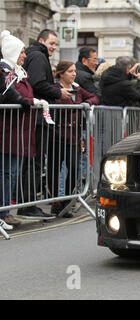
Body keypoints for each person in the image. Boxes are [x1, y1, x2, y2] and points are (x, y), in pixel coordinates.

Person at [0, 30, 52, 226]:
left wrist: (29, 101)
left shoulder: (18, 72)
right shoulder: (6, 71)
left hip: (18, 132)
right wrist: (28, 101)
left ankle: (5, 212)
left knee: (11, 173)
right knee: (5, 173)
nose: (25, 56)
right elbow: (10, 94)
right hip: (8, 130)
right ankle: (3, 213)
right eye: (22, 52)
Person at [20, 29, 73, 217]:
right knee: (34, 161)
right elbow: (37, 83)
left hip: (37, 116)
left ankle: (27, 202)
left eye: (56, 44)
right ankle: (28, 204)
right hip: (37, 118)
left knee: (32, 161)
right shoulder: (38, 57)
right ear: (41, 40)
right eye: (51, 43)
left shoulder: (37, 56)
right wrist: (58, 93)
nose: (53, 47)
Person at [49, 60, 99, 217]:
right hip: (57, 136)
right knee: (54, 170)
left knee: (74, 168)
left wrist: (85, 103)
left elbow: (95, 97)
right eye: (70, 71)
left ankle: (67, 201)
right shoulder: (55, 89)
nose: (74, 74)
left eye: (74, 71)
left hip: (74, 137)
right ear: (61, 73)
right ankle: (56, 201)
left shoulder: (77, 88)